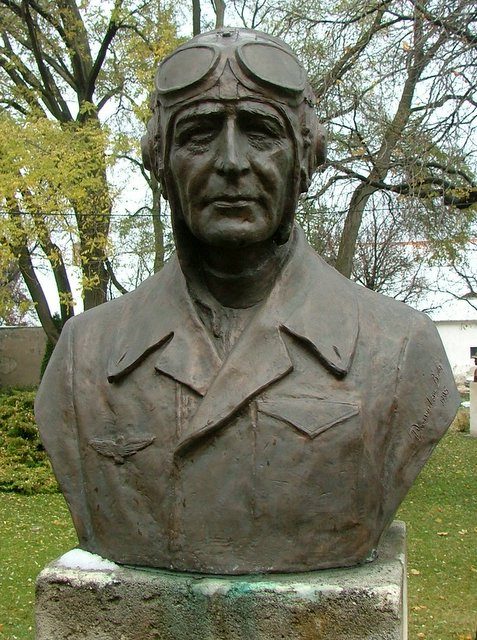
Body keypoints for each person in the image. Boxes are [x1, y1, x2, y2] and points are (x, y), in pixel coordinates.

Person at [35, 28, 459, 575]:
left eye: (260, 133)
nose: (230, 161)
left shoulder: (401, 349)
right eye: (198, 135)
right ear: (159, 163)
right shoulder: (83, 355)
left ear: (305, 160)